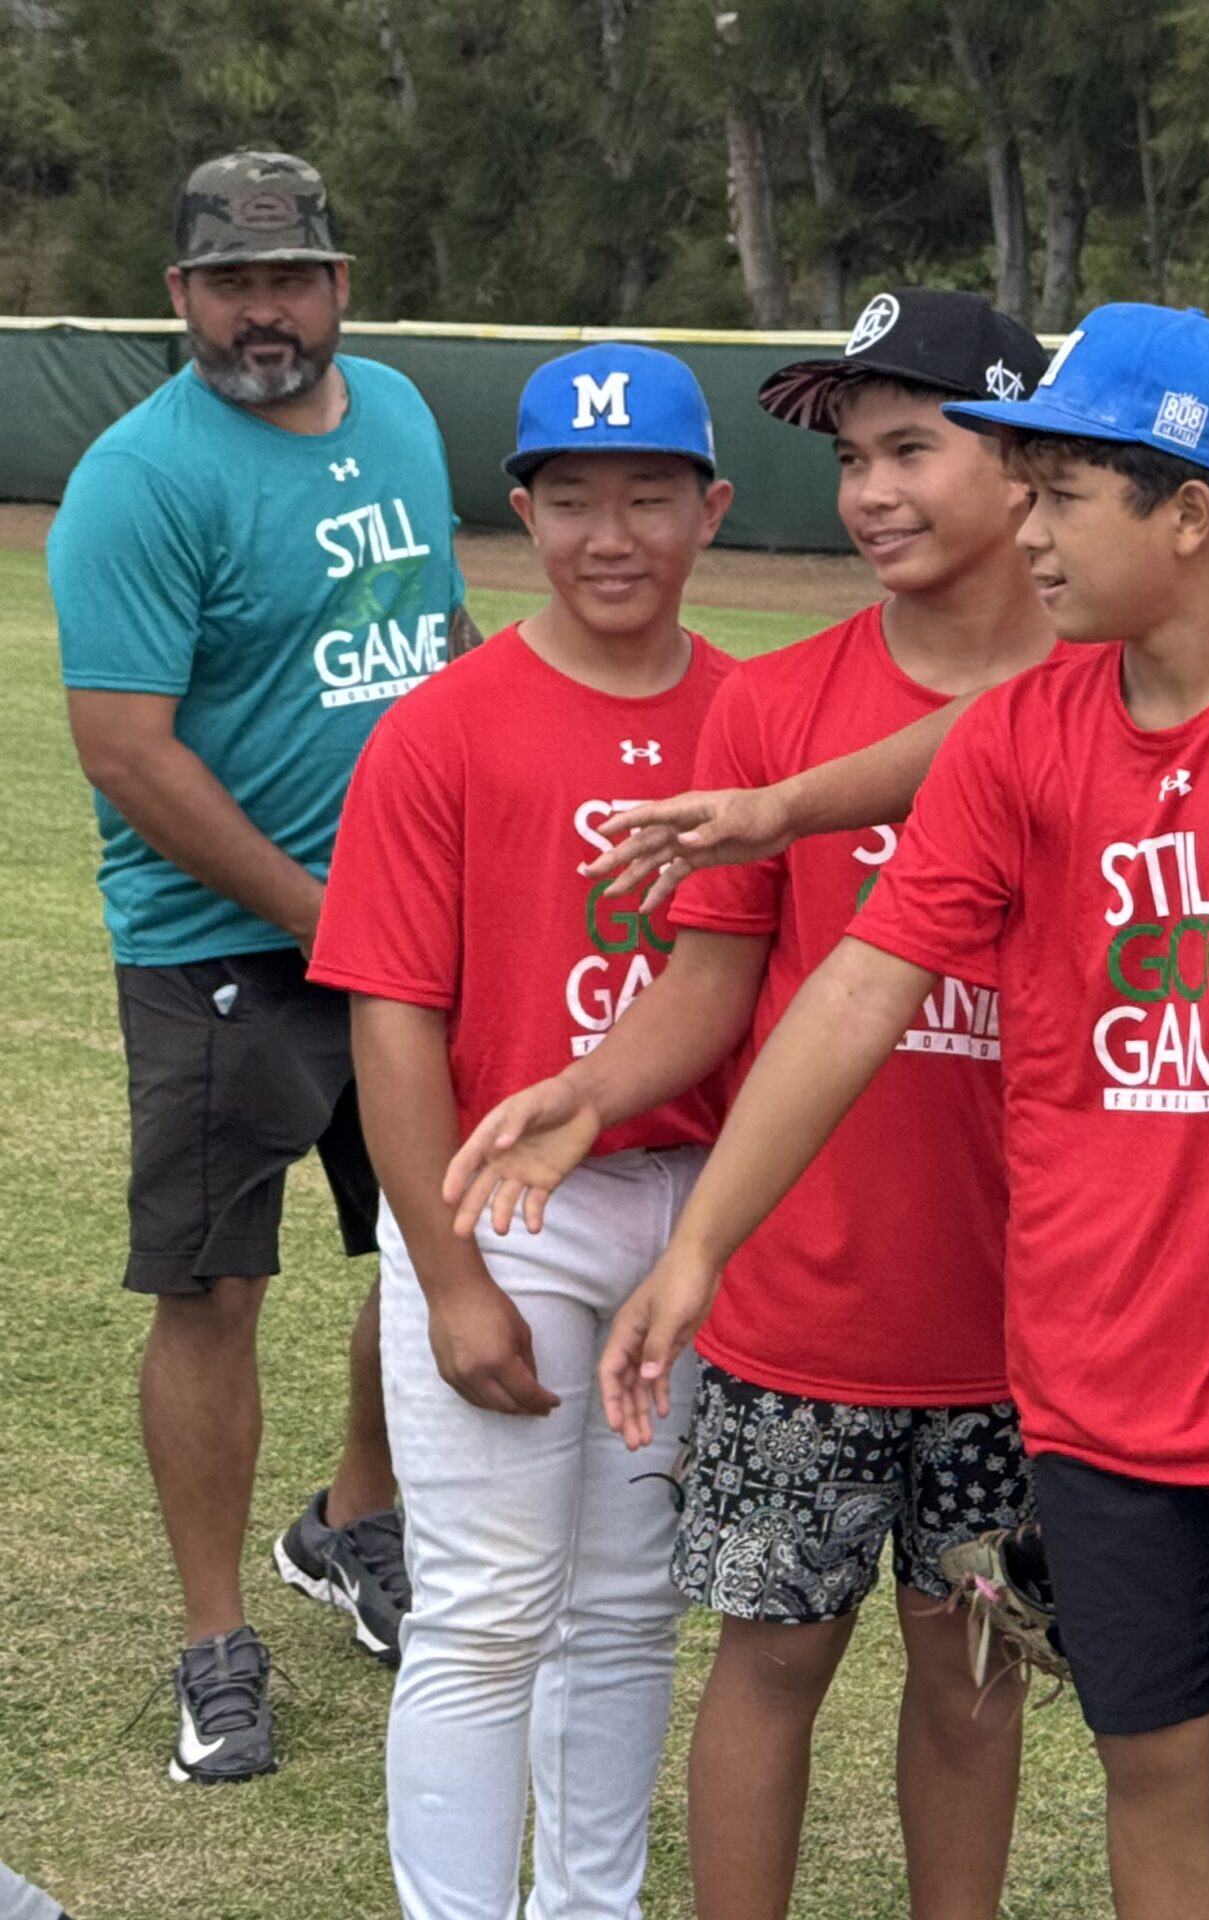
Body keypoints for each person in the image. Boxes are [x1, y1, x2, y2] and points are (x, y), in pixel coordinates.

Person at [569, 303, 1209, 1920]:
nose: (1032, 524)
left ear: (1189, 511)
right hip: (1089, 1379)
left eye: (1064, 493)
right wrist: (701, 1247)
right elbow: (859, 989)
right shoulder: (1019, 736)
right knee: (1155, 1764)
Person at [440, 290, 1054, 1920]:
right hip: (808, 1307)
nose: (870, 493)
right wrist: (583, 1092)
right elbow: (712, 984)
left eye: (913, 448)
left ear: (1027, 466)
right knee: (769, 1659)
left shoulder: (1105, 698)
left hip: (1030, 1316)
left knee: (973, 1671)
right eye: (852, 458)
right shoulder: (773, 706)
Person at [47, 149, 467, 1782]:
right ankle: (217, 1636)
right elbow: (127, 751)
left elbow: (432, 650)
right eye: (231, 283)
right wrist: (316, 909)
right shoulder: (140, 479)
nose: (264, 311)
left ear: (340, 284)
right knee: (215, 1284)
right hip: (226, 942)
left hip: (408, 928)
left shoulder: (406, 420)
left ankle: (353, 1519)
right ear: (181, 298)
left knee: (422, 1248)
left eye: (291, 277)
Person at [307, 345, 735, 1919]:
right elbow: (391, 1018)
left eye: (647, 495)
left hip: (685, 1200)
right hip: (503, 1210)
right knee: (488, 1609)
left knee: (626, 1608)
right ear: (520, 514)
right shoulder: (443, 727)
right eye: (570, 498)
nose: (609, 533)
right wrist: (452, 1273)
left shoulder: (757, 724)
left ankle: (591, 1908)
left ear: (714, 509)